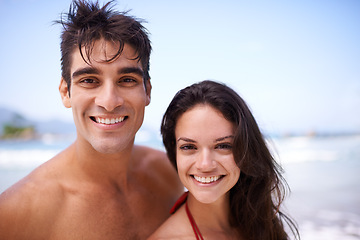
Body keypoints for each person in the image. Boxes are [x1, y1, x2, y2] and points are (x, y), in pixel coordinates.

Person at [0, 1, 183, 239]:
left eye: (127, 80)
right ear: (66, 92)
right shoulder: (17, 211)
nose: (109, 101)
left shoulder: (171, 173)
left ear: (147, 91)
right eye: (89, 80)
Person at [148, 80, 300, 240]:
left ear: (246, 150)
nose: (205, 164)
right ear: (174, 150)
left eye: (223, 146)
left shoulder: (259, 221)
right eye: (188, 147)